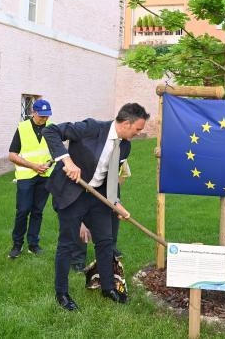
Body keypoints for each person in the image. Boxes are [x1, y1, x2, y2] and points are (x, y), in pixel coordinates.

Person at [43, 103, 149, 311]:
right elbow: (51, 130)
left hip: (97, 196)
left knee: (105, 241)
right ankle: (62, 293)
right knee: (67, 244)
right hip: (73, 193)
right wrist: (67, 161)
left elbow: (111, 179)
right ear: (126, 123)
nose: (139, 133)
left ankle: (107, 287)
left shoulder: (125, 145)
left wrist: (116, 203)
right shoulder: (92, 128)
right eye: (138, 128)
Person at [7, 99, 54, 258]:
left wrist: (49, 163)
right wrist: (33, 166)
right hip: (26, 176)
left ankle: (33, 244)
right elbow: (12, 155)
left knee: (37, 211)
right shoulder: (23, 128)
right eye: (41, 116)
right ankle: (17, 245)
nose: (44, 119)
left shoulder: (52, 128)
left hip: (45, 176)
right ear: (33, 112)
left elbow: (56, 151)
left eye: (47, 116)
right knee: (23, 210)